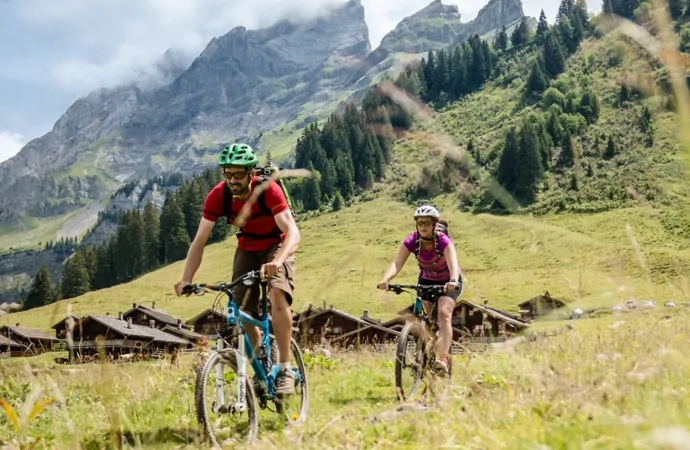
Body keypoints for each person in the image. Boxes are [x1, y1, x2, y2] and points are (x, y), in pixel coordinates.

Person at [174, 142, 300, 396]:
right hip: (248, 248)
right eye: (227, 173)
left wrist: (277, 262)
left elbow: (293, 232)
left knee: (277, 295)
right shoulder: (218, 196)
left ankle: (285, 369)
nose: (232, 180)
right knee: (241, 310)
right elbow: (199, 241)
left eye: (238, 174)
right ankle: (261, 370)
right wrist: (186, 278)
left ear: (251, 173)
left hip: (278, 245)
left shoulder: (268, 190)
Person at [377, 204, 462, 376]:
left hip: (448, 282)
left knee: (444, 314)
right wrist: (386, 279)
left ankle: (443, 359)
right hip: (426, 281)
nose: (423, 226)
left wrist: (453, 280)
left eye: (427, 223)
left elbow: (453, 263)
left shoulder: (443, 241)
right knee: (424, 319)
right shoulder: (412, 241)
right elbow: (396, 263)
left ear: (434, 224)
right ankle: (425, 355)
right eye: (420, 223)